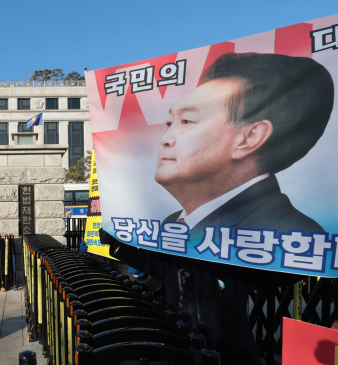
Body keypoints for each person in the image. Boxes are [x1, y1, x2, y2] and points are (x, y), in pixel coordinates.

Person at [103, 52, 335, 365]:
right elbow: (166, 272)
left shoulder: (288, 230)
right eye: (170, 122)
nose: (166, 138)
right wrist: (119, 241)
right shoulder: (176, 222)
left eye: (186, 122)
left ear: (250, 137)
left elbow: (284, 277)